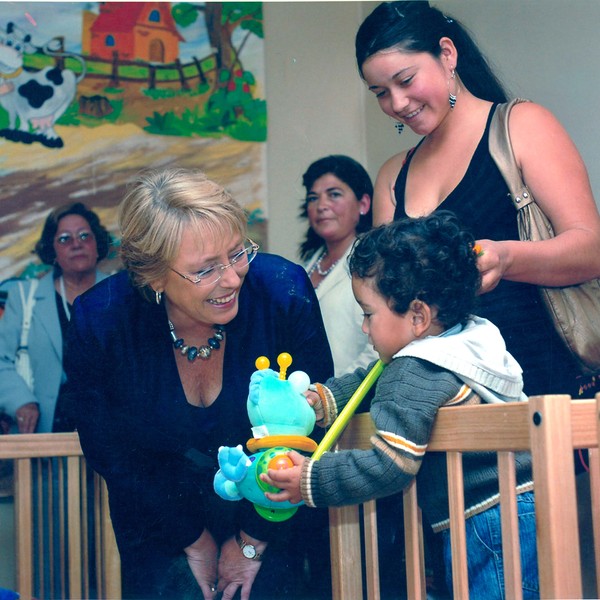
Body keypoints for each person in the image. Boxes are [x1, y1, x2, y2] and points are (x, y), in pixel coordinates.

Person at [61, 168, 334, 600]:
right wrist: (195, 540)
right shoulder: (102, 321)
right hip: (157, 519)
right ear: (152, 277)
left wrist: (251, 541)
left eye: (237, 252)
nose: (231, 278)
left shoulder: (282, 291)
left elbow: (316, 420)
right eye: (205, 270)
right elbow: (110, 450)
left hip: (278, 514)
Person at [262, 212, 539, 600]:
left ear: (418, 315)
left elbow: (390, 465)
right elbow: (371, 381)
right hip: (523, 504)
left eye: (368, 314)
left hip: (486, 519)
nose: (364, 328)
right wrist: (321, 400)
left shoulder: (415, 368)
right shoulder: (461, 339)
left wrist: (313, 478)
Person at [354, 1, 600, 401]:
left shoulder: (521, 126)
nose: (396, 104)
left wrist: (506, 258)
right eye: (381, 93)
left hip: (548, 390)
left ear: (447, 54)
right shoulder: (392, 177)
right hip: (447, 410)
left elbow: (591, 248)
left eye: (406, 80)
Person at [0, 201, 111, 434]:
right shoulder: (23, 298)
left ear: (97, 244)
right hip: (46, 436)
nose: (76, 244)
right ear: (52, 252)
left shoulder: (122, 296)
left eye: (84, 236)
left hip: (110, 436)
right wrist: (20, 401)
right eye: (64, 239)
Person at [299, 155, 378, 375]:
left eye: (334, 195)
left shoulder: (375, 262)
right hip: (307, 396)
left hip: (350, 398)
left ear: (363, 204)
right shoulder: (305, 266)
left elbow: (379, 348)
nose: (321, 205)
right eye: (313, 198)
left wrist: (334, 391)